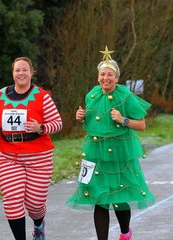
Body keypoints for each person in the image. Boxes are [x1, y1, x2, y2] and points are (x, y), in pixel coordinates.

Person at [66, 46, 155, 240]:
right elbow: (93, 123)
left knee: (119, 197)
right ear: (98, 76)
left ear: (116, 78)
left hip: (120, 154)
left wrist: (123, 120)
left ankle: (125, 232)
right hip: (95, 153)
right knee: (100, 199)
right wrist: (80, 117)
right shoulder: (92, 94)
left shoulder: (126, 97)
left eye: (110, 75)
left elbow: (141, 125)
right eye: (102, 74)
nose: (106, 78)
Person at [0, 57, 63, 240]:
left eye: (24, 70)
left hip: (38, 156)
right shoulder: (0, 95)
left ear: (31, 72)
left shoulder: (42, 96)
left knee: (34, 204)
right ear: (13, 73)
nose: (21, 73)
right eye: (17, 70)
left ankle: (38, 225)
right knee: (12, 201)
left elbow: (57, 123)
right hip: (8, 155)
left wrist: (40, 128)